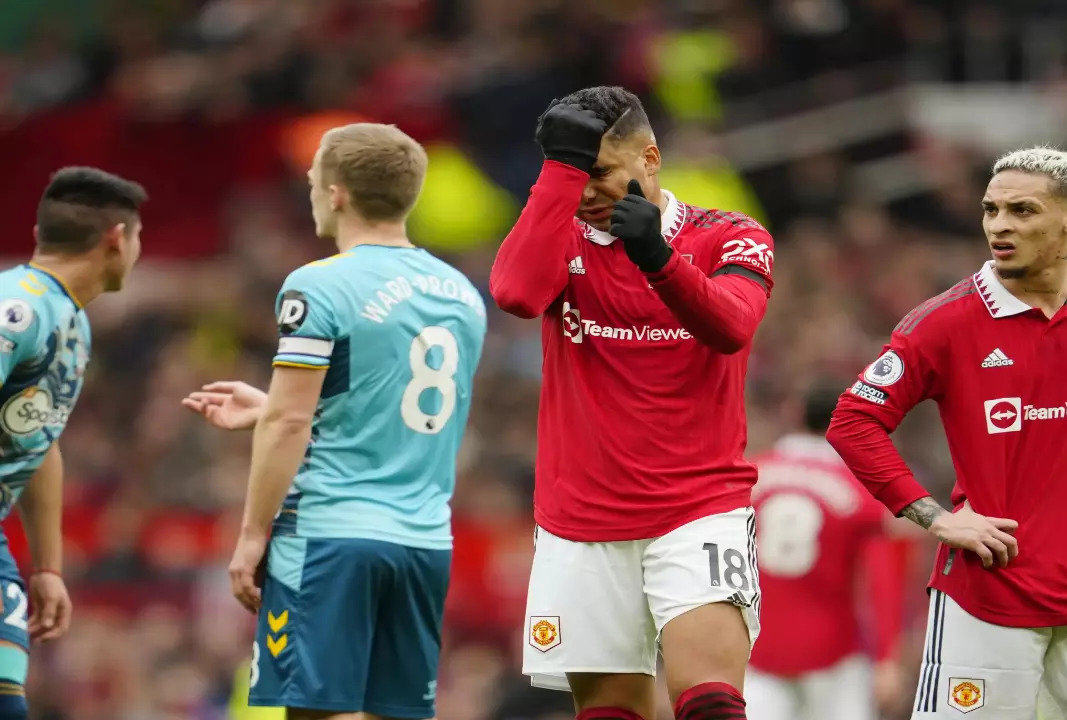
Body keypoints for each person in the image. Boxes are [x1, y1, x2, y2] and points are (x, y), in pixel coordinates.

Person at [826, 147, 1067, 719]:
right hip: (985, 600)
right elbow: (854, 421)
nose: (1000, 226)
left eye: (1023, 211)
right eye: (991, 210)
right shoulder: (945, 322)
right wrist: (932, 516)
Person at [182, 123, 486, 720]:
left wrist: (251, 536)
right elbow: (398, 407)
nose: (311, 190)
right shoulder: (462, 294)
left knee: (316, 711)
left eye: (315, 179)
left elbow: (292, 423)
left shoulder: (318, 284)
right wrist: (268, 407)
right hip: (423, 540)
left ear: (338, 192)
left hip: (330, 533)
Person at [490, 86, 776, 720]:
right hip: (581, 522)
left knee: (710, 705)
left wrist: (660, 260)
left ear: (650, 157)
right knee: (611, 714)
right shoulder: (559, 238)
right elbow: (513, 293)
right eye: (572, 176)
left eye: (597, 175)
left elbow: (732, 327)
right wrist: (557, 176)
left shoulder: (729, 235)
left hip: (698, 508)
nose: (585, 193)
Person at [0, 167, 146, 719]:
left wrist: (48, 566)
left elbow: (39, 441)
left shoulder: (72, 323)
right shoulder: (20, 307)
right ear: (117, 238)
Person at [744, 383, 906, 720]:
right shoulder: (861, 489)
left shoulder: (748, 476)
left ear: (794, 413)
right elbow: (881, 581)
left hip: (754, 650)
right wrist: (886, 657)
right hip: (834, 655)